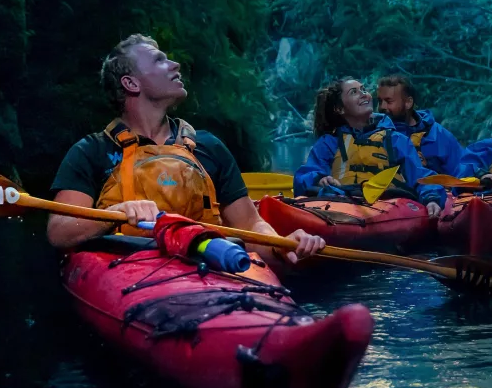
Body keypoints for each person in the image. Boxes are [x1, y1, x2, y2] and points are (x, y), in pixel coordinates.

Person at [46, 33, 325, 265]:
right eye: (159, 60)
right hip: (130, 269)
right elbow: (60, 232)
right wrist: (117, 213)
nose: (175, 64)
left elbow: (251, 228)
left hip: (212, 266)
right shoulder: (92, 151)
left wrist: (282, 244)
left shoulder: (208, 147)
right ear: (131, 83)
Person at [293, 77, 447, 217]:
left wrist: (431, 199)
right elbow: (305, 175)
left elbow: (420, 176)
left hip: (389, 205)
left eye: (364, 90)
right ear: (340, 109)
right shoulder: (329, 143)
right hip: (341, 203)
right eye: (354, 92)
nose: (364, 94)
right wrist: (319, 178)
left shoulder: (396, 140)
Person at [376, 74, 464, 175]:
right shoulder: (375, 134)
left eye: (388, 101)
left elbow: (461, 170)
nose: (381, 107)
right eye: (380, 101)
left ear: (408, 102)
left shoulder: (437, 134)